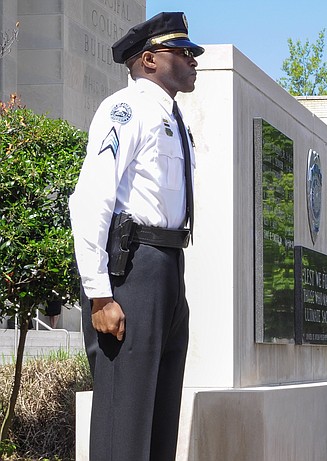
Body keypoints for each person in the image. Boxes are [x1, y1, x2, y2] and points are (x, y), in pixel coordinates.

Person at [69, 12, 203, 461]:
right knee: (123, 419)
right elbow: (91, 200)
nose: (192, 59)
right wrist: (99, 295)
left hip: (168, 266)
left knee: (160, 419)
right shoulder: (124, 110)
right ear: (148, 59)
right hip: (133, 268)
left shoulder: (174, 118)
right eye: (182, 52)